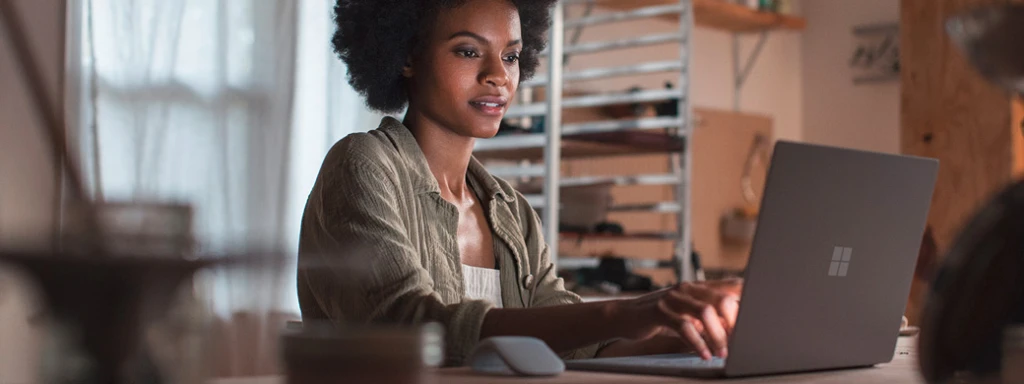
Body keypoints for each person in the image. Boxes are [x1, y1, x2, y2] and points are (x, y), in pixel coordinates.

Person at [297, 0, 741, 366]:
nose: (499, 75)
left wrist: (705, 336)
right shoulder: (362, 166)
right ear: (408, 56)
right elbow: (413, 329)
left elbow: (584, 347)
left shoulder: (509, 209)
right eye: (468, 51)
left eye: (510, 56)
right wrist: (628, 310)